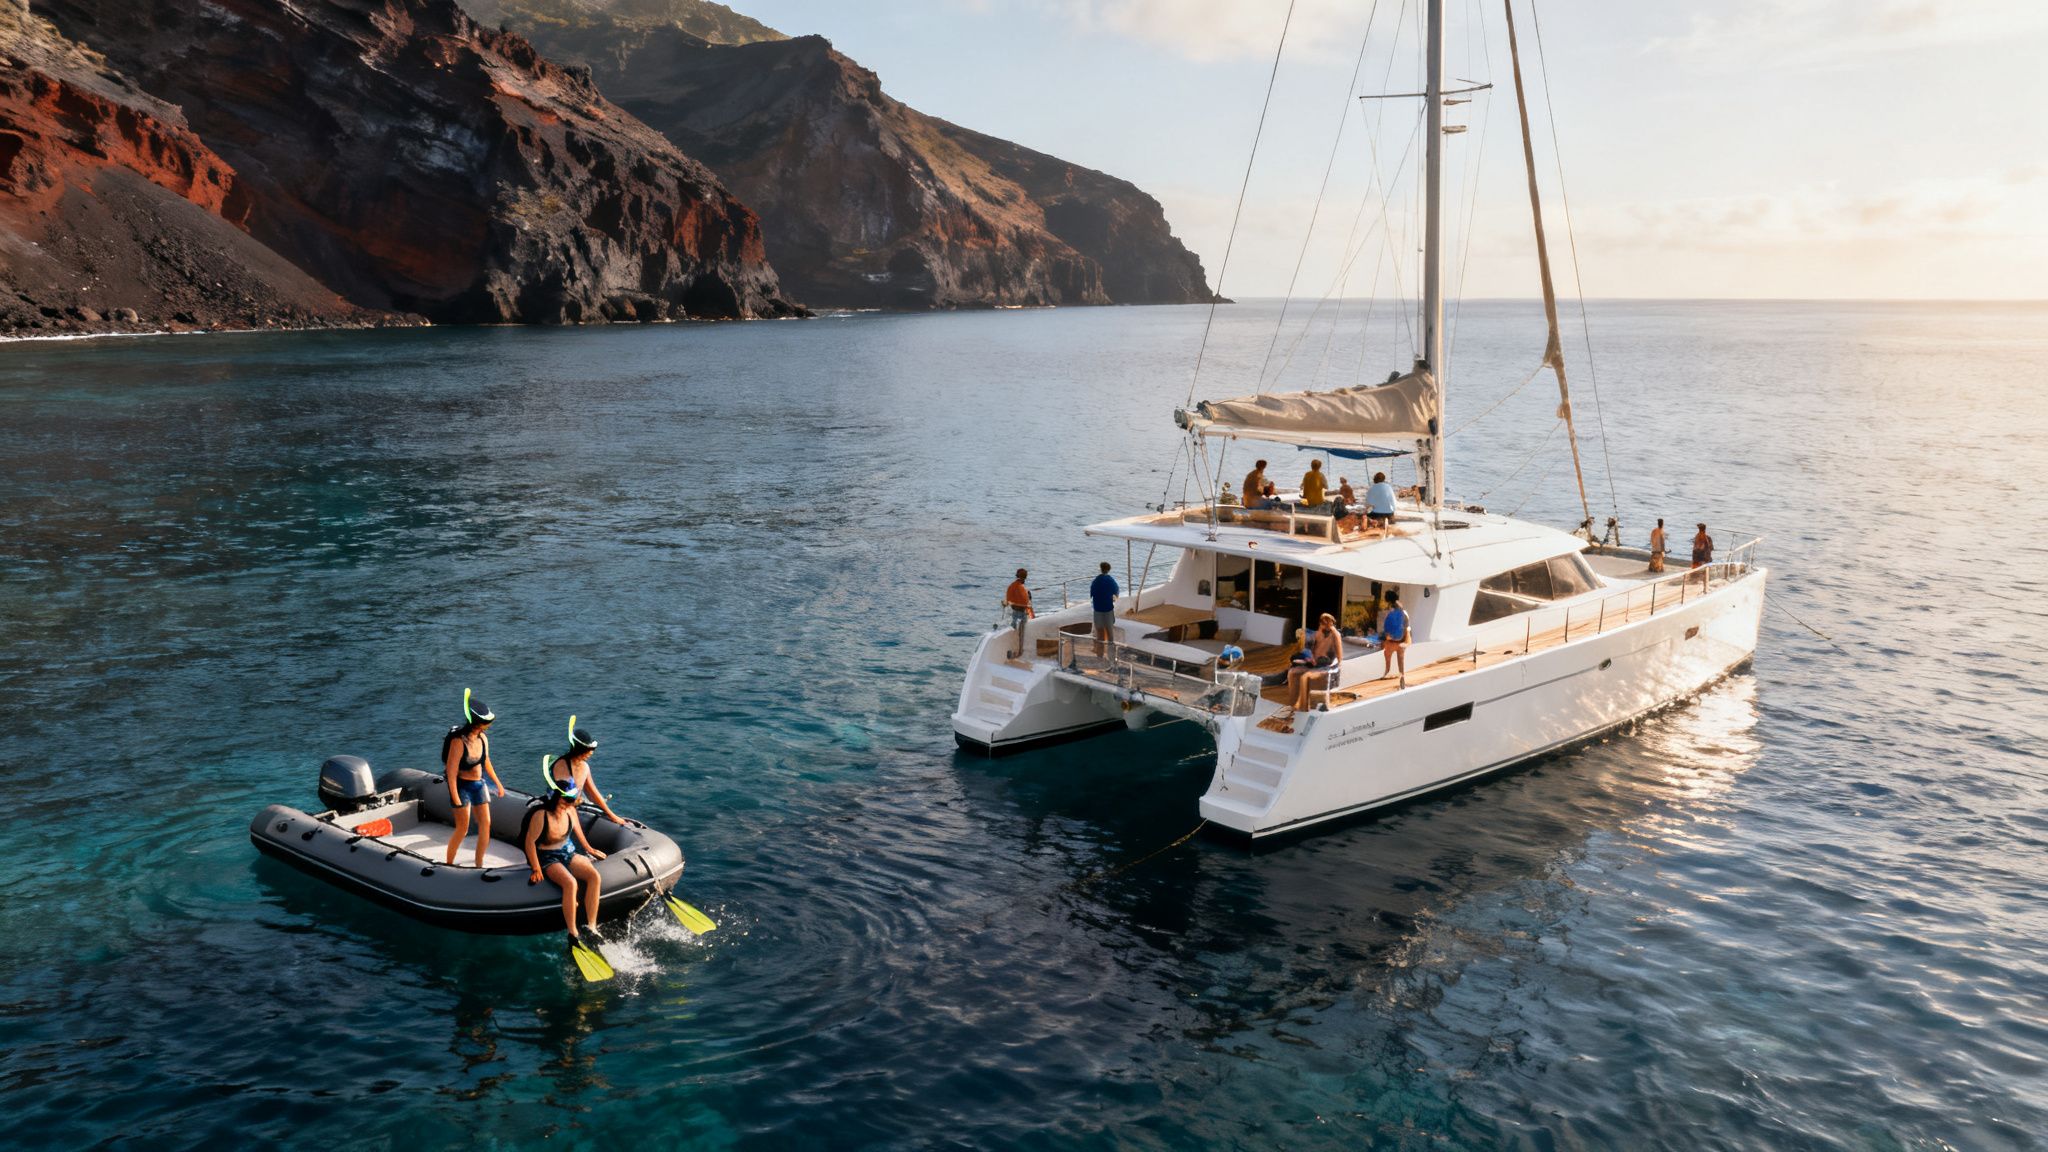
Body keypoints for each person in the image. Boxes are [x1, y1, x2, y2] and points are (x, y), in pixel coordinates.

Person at [524, 764, 608, 945]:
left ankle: (592, 927)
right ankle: (573, 933)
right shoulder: (541, 816)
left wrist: (590, 849)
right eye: (566, 800)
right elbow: (530, 842)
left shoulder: (570, 810)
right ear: (556, 797)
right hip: (549, 857)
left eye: (571, 800)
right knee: (570, 883)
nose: (570, 803)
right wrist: (536, 868)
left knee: (594, 876)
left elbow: (578, 831)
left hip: (568, 852)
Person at [442, 689, 506, 867]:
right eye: (486, 722)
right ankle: (449, 863)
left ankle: (479, 862)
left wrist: (498, 784)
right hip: (461, 786)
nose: (488, 725)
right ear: (477, 722)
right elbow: (451, 772)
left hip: (478, 784)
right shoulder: (458, 742)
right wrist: (455, 796)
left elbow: (486, 762)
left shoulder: (483, 738)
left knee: (486, 824)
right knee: (462, 828)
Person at [549, 717, 620, 824]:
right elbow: (560, 798)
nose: (591, 753)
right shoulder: (561, 765)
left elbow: (593, 793)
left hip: (575, 808)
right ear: (579, 749)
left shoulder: (584, 767)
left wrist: (612, 816)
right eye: (588, 750)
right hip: (558, 812)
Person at [1284, 612, 1344, 715]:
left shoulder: (1335, 635)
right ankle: (1293, 704)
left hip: (1326, 665)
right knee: (1292, 673)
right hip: (1314, 663)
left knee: (1305, 677)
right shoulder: (1318, 633)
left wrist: (1335, 666)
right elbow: (1312, 649)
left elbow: (1339, 657)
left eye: (1328, 623)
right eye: (1323, 623)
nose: (1325, 625)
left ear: (1332, 623)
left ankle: (1303, 707)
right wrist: (1309, 659)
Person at [1379, 590, 1410, 687]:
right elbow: (1406, 626)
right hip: (1400, 640)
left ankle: (1386, 672)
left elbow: (1386, 627)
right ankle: (1402, 677)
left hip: (1391, 641)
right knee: (1400, 660)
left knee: (1387, 657)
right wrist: (1405, 639)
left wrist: (1385, 639)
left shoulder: (1389, 610)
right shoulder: (1403, 611)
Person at [1089, 561, 1119, 660]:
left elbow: (1092, 594)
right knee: (1110, 635)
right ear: (1109, 570)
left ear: (1100, 569)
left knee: (1100, 634)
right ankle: (1111, 657)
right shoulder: (1111, 580)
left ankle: (1100, 656)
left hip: (1098, 610)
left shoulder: (1096, 581)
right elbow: (1116, 592)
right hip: (1108, 609)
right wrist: (1114, 597)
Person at [1003, 567, 1034, 659]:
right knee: (1021, 634)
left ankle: (1014, 649)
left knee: (1014, 631)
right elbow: (1026, 603)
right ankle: (1019, 651)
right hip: (1022, 613)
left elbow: (1009, 600)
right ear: (1025, 577)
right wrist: (1029, 597)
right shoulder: (1021, 588)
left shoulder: (1012, 586)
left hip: (1015, 613)